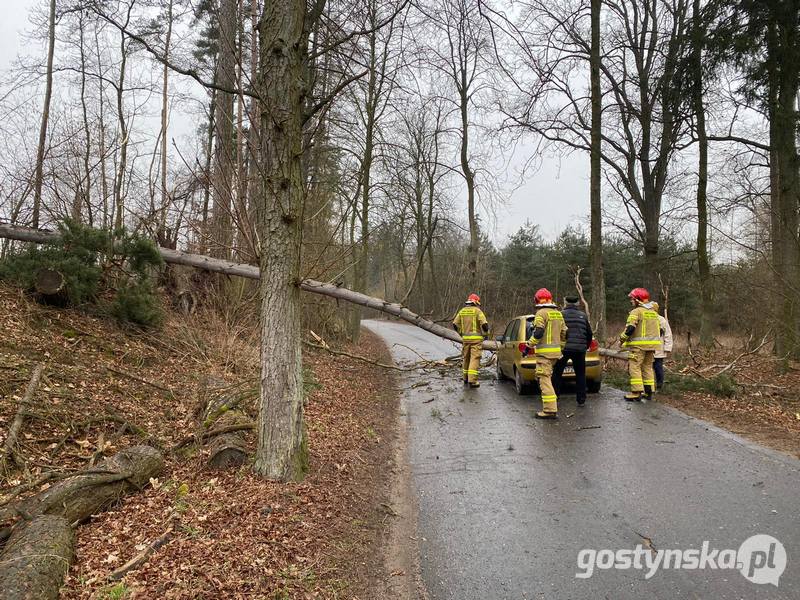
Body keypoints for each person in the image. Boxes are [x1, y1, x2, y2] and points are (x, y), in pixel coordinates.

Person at [524, 288, 567, 419]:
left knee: (544, 381)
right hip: (555, 354)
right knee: (548, 379)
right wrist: (561, 347)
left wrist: (528, 346)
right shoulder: (558, 314)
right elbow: (565, 333)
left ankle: (549, 410)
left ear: (537, 300)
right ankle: (551, 408)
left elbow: (538, 333)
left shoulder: (541, 313)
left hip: (544, 355)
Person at [619, 287, 661, 402]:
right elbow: (660, 329)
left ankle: (636, 392)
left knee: (635, 367)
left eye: (632, 299)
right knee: (647, 367)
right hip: (652, 346)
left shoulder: (636, 312)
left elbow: (630, 329)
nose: (631, 301)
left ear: (638, 299)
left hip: (638, 347)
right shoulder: (653, 312)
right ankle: (648, 392)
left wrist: (622, 339)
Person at [553, 295, 593, 406]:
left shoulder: (560, 315)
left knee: (557, 373)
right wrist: (586, 346)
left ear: (565, 303)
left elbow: (556, 331)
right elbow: (589, 333)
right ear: (577, 303)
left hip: (563, 349)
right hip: (579, 349)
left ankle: (555, 397)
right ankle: (581, 399)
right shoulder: (583, 316)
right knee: (580, 374)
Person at [452, 293, 489, 388]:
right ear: (476, 302)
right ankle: (472, 381)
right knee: (474, 359)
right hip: (476, 340)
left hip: (465, 340)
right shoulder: (478, 311)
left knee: (466, 358)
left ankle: (465, 378)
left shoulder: (462, 311)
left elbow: (455, 324)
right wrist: (486, 335)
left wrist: (461, 333)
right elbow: (484, 325)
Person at [654, 311, 673, 390]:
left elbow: (668, 334)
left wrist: (667, 348)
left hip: (659, 349)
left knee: (658, 367)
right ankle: (648, 386)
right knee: (647, 369)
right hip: (647, 349)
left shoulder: (661, 320)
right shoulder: (646, 319)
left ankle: (659, 384)